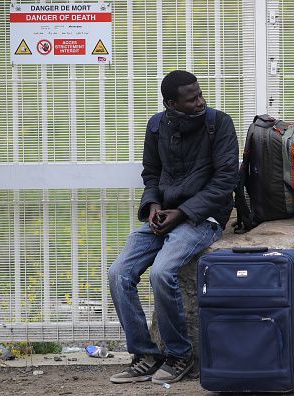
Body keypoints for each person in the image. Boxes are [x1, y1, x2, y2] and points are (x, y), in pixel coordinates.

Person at [108, 70, 239, 385]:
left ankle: (180, 356)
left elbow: (225, 181)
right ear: (171, 103)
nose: (200, 101)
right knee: (119, 273)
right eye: (192, 98)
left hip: (203, 218)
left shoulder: (219, 124)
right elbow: (151, 174)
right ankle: (145, 356)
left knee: (161, 272)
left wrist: (181, 212)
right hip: (164, 216)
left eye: (200, 93)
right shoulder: (156, 127)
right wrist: (153, 207)